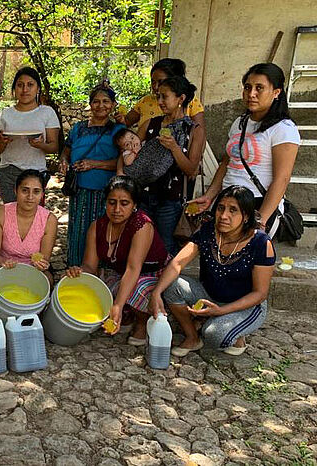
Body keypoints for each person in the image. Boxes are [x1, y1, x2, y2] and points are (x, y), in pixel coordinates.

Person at [151, 186, 275, 356]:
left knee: (214, 335)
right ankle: (192, 337)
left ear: (246, 216)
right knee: (172, 285)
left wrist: (221, 311)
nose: (224, 216)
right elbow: (177, 263)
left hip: (247, 306)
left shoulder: (261, 243)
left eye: (233, 210)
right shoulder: (208, 230)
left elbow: (260, 294)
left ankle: (234, 334)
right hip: (209, 296)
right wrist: (156, 292)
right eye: (221, 208)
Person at [191, 63, 300, 239]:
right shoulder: (240, 123)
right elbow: (227, 163)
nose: (252, 94)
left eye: (260, 88)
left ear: (276, 92)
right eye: (248, 87)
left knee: (246, 263)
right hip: (227, 200)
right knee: (219, 258)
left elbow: (282, 179)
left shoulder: (284, 129)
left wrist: (261, 220)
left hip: (255, 204)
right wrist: (210, 196)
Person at [67, 176, 169, 339]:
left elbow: (133, 269)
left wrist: (117, 305)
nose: (117, 209)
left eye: (124, 203)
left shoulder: (142, 225)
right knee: (96, 284)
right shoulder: (97, 226)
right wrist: (78, 271)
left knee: (136, 288)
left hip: (152, 273)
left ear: (134, 205)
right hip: (122, 273)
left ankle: (142, 321)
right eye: (112, 202)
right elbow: (90, 267)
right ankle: (127, 314)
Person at [122, 76, 202, 255]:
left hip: (171, 201)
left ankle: (164, 283)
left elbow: (190, 170)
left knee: (166, 248)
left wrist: (174, 147)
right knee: (140, 246)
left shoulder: (194, 131)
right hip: (143, 196)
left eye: (164, 97)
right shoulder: (151, 124)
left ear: (181, 98)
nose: (159, 102)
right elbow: (128, 148)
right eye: (158, 96)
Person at [60, 82, 126, 266]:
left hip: (105, 192)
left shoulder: (118, 130)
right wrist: (64, 161)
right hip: (79, 190)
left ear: (113, 105)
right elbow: (66, 149)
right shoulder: (78, 128)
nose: (101, 105)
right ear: (90, 104)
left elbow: (125, 160)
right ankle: (75, 269)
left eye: (106, 101)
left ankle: (99, 273)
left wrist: (94, 164)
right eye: (96, 101)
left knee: (102, 232)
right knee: (78, 231)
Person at [0, 67, 61, 203]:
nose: (25, 89)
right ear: (14, 89)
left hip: (36, 173)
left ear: (38, 89)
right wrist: (2, 142)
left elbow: (54, 147)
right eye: (20, 85)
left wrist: (41, 145)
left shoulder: (47, 112)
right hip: (8, 172)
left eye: (30, 85)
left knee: (34, 218)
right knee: (10, 216)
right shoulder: (5, 114)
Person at [0, 169, 59, 288]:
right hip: (4, 267)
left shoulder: (49, 220)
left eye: (36, 191)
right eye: (25, 190)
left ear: (42, 194)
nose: (30, 197)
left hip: (34, 270)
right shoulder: (0, 213)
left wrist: (41, 264)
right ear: (16, 190)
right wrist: (3, 264)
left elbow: (44, 257)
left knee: (46, 283)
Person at [120, 58, 207, 136]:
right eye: (153, 82)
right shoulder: (145, 102)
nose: (155, 86)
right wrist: (120, 119)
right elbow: (126, 122)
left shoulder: (190, 102)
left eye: (160, 81)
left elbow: (200, 137)